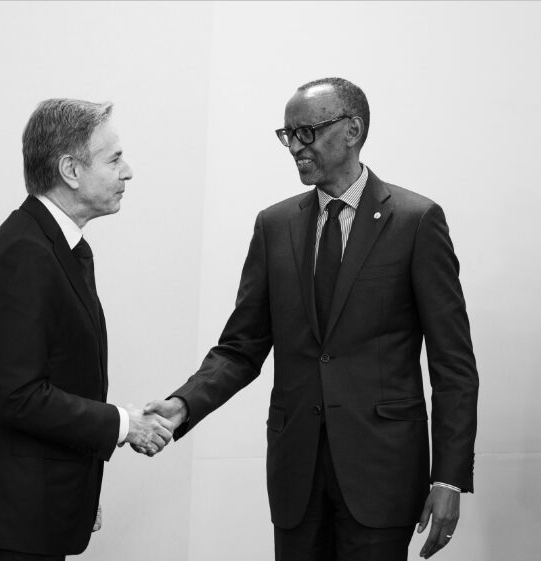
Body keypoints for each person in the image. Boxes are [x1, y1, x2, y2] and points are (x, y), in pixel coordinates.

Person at [144, 78, 478, 561]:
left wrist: (448, 477)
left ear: (352, 130)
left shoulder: (416, 221)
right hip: (296, 476)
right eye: (288, 135)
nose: (295, 147)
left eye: (307, 133)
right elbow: (241, 347)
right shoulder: (274, 225)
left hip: (382, 473)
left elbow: (454, 366)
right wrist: (183, 405)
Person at [0, 98, 174, 561]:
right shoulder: (26, 253)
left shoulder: (56, 245)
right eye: (114, 159)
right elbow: (20, 397)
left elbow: (61, 379)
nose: (128, 172)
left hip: (37, 508)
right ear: (70, 170)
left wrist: (82, 489)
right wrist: (124, 424)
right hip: (10, 520)